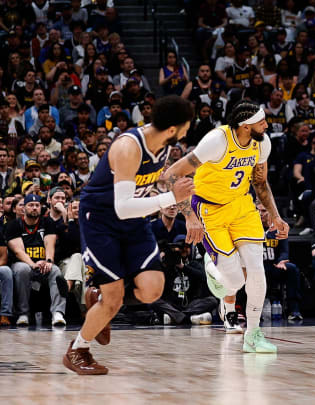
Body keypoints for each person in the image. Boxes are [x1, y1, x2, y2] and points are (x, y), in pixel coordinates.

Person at [64, 96, 195, 375]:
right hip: (101, 220)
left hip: (134, 218)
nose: (187, 132)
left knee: (152, 290)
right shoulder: (128, 147)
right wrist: (171, 197)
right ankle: (79, 349)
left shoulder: (163, 145)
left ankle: (98, 294)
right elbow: (121, 208)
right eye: (185, 127)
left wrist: (187, 208)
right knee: (113, 301)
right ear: (172, 128)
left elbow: (158, 180)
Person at [163, 102, 289, 353]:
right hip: (209, 208)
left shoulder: (262, 142)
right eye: (261, 121)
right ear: (245, 126)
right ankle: (212, 269)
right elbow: (173, 175)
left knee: (256, 270)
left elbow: (261, 184)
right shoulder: (216, 141)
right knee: (234, 281)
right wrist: (189, 217)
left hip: (242, 206)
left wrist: (275, 216)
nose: (266, 125)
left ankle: (253, 334)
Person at [7, 194, 66, 327]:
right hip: (23, 263)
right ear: (24, 208)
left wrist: (49, 261)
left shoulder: (47, 222)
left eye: (37, 205)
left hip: (43, 263)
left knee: (55, 270)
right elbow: (18, 251)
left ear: (40, 207)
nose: (34, 208)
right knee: (23, 270)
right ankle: (23, 313)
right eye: (31, 205)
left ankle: (58, 313)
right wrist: (33, 264)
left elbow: (49, 245)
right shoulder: (14, 225)